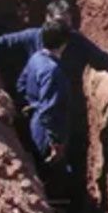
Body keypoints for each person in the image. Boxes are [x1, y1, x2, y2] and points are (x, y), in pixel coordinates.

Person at [0, 0, 108, 213]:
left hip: (68, 111)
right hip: (50, 117)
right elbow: (4, 43)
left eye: (68, 23)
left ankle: (77, 207)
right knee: (54, 169)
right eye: (60, 23)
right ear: (48, 22)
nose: (66, 29)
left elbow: (101, 59)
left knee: (73, 159)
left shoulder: (63, 46)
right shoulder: (43, 55)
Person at [16, 21, 72, 179]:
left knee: (40, 166)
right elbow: (50, 111)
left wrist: (31, 104)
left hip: (34, 121)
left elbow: (20, 84)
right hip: (46, 132)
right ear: (63, 44)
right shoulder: (53, 70)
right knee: (51, 174)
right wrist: (56, 144)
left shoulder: (36, 58)